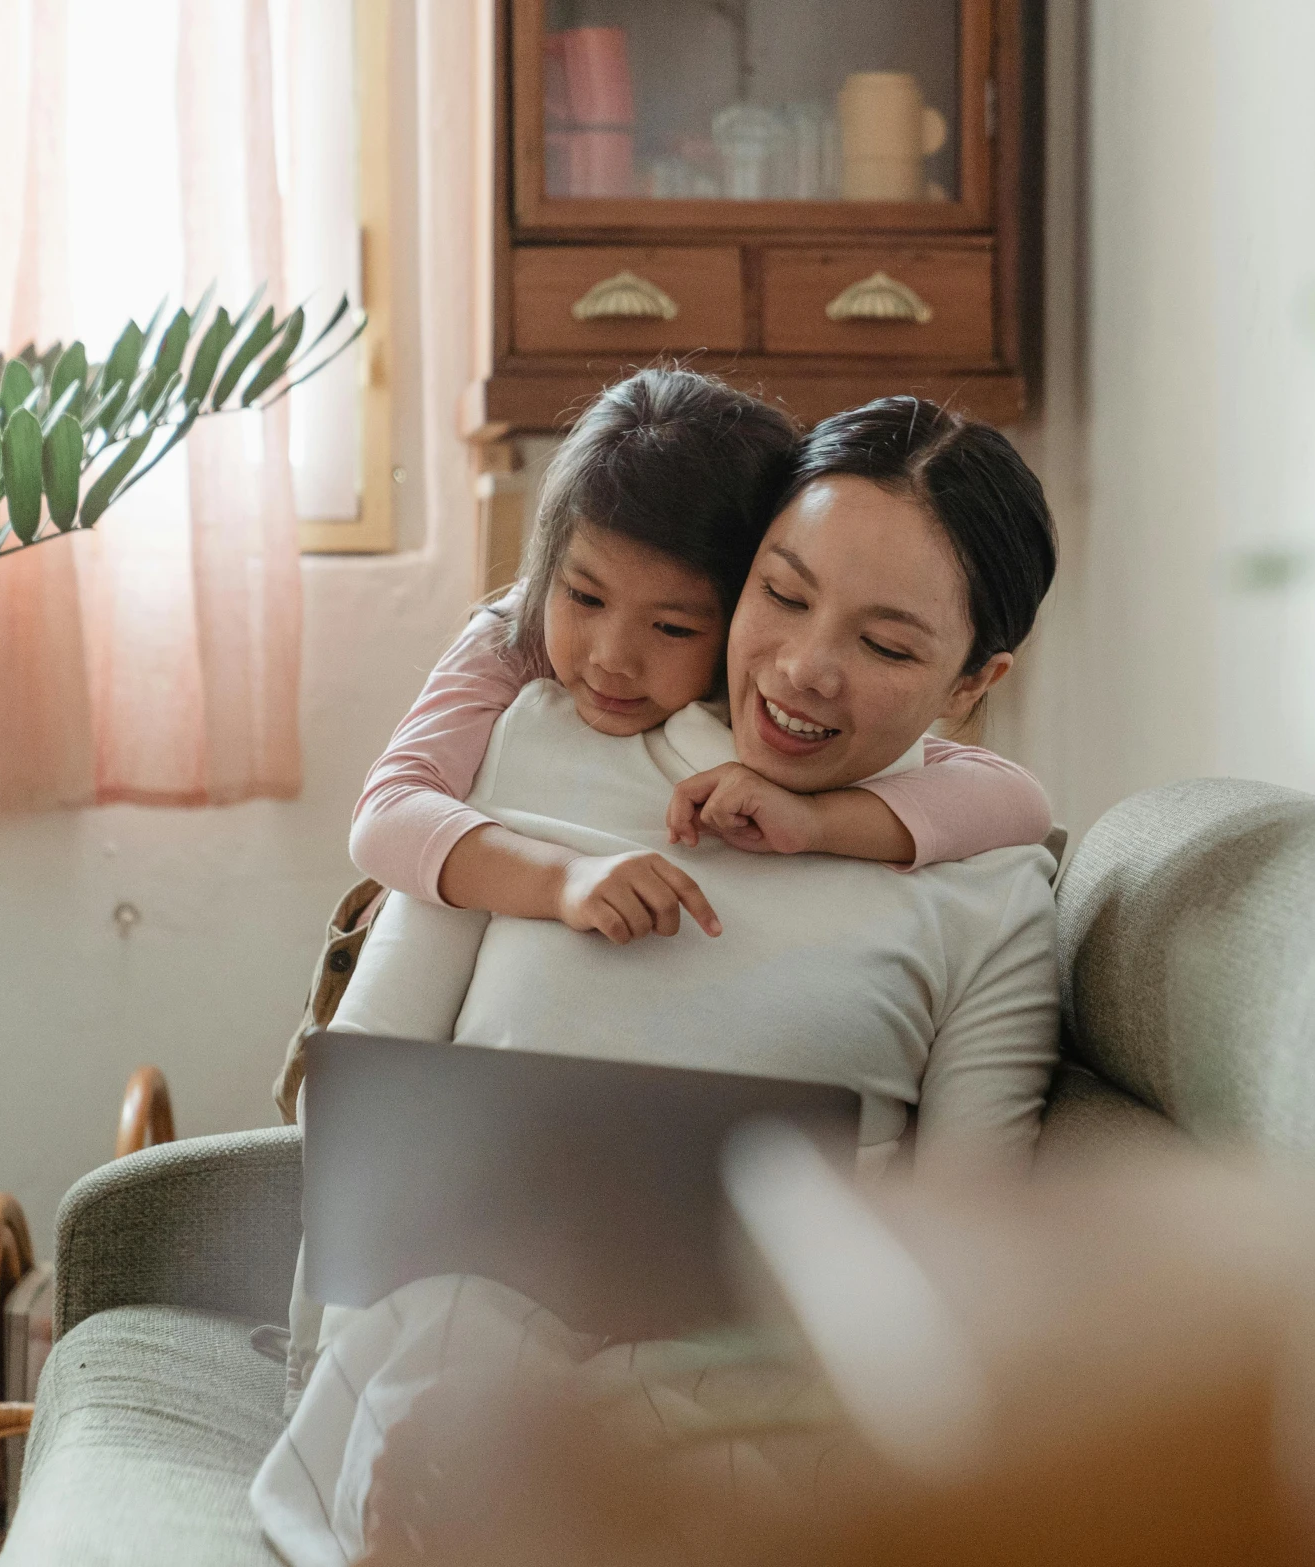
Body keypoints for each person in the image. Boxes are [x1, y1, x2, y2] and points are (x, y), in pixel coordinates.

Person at [253, 395, 1065, 1566]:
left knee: (712, 1448)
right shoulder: (533, 737)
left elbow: (967, 1237)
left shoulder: (988, 888)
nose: (803, 668)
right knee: (458, 1355)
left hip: (758, 1385)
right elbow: (371, 1095)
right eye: (781, 596)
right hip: (459, 1351)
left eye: (885, 646)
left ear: (974, 679)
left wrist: (824, 822)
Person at [350, 367, 1053, 948]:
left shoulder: (768, 665)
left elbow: (1018, 801)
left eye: (674, 628)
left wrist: (818, 822)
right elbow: (387, 811)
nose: (612, 658)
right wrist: (562, 879)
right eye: (585, 597)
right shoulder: (518, 630)